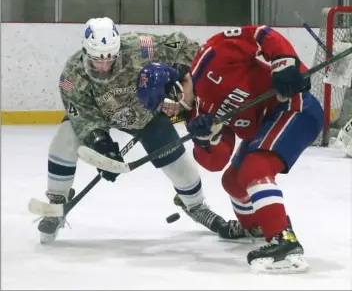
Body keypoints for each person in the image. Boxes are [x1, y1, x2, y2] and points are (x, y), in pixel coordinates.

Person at [136, 25, 324, 273]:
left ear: (174, 87)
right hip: (265, 125)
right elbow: (216, 162)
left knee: (254, 168)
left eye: (164, 104)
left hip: (293, 105)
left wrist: (284, 63)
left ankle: (284, 244)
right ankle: (255, 226)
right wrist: (206, 139)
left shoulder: (211, 56)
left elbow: (260, 34)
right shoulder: (195, 116)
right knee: (233, 181)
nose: (166, 111)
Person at [38, 17, 227, 244]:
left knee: (182, 170)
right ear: (86, 52)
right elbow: (83, 114)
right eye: (98, 60)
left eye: (110, 58)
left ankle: (195, 206)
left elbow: (185, 45)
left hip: (146, 116)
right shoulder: (71, 76)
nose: (105, 66)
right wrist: (102, 145)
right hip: (101, 115)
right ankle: (57, 200)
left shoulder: (140, 45)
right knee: (65, 137)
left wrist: (178, 72)